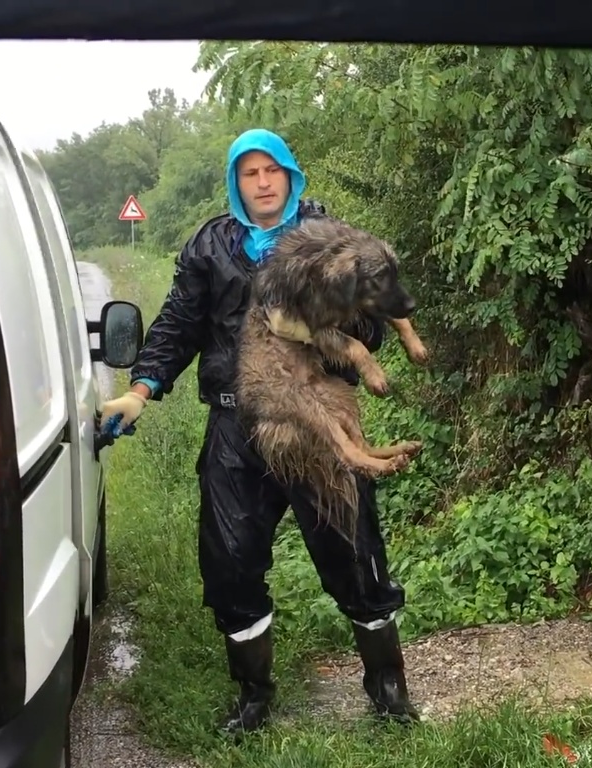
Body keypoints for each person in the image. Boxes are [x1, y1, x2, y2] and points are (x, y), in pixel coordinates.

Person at [100, 128, 419, 734]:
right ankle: (254, 697)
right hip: (236, 425)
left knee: (355, 556)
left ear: (292, 176)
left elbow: (374, 328)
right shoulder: (210, 246)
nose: (263, 182)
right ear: (235, 183)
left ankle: (388, 689)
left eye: (272, 170)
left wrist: (325, 328)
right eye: (249, 173)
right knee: (230, 562)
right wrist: (142, 390)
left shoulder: (331, 242)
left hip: (315, 421)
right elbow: (179, 324)